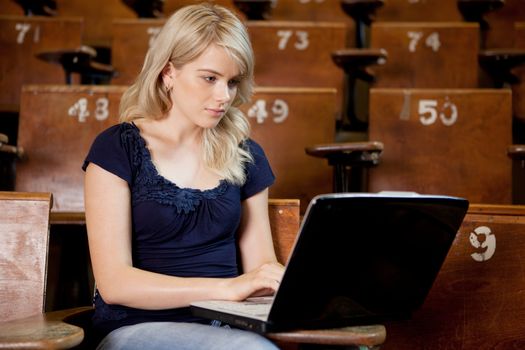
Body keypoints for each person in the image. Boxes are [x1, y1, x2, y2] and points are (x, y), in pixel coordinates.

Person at [82, 3, 283, 349]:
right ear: (168, 72)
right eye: (209, 78)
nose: (224, 97)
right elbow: (115, 283)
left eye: (232, 82)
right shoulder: (117, 148)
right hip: (136, 329)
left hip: (227, 327)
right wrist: (226, 288)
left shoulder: (245, 154)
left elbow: (260, 268)